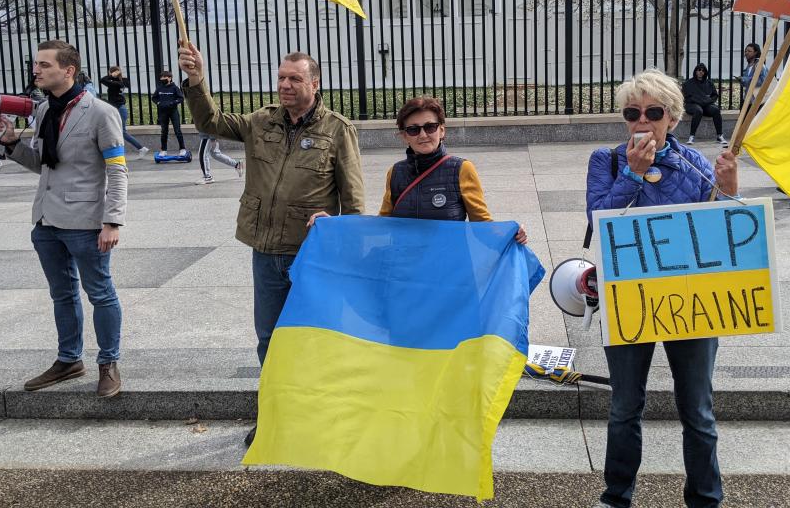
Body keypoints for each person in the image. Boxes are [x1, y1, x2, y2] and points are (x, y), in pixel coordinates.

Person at [177, 41, 365, 446]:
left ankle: (319, 412)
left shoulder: (337, 130)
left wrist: (339, 230)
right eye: (281, 78)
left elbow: (354, 202)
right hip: (266, 252)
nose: (285, 85)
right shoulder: (260, 121)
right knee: (270, 338)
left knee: (315, 338)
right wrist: (196, 79)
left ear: (315, 84)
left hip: (312, 256)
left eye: (294, 78)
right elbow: (211, 123)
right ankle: (277, 414)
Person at [585, 68, 739, 508]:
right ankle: (616, 497)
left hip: (690, 299)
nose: (641, 121)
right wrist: (633, 174)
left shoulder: (695, 165)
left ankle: (706, 499)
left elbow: (720, 234)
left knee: (698, 409)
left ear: (672, 118)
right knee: (624, 406)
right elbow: (598, 221)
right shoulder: (607, 160)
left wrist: (728, 191)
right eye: (632, 112)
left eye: (653, 112)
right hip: (630, 297)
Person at [0, 40, 128, 399]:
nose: (36, 70)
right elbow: (43, 164)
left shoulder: (100, 112)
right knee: (61, 294)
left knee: (100, 292)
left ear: (68, 71)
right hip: (46, 221)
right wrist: (10, 144)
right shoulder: (43, 113)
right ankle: (69, 359)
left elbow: (117, 171)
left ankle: (108, 363)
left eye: (44, 65)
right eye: (36, 64)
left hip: (86, 222)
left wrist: (112, 220)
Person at [375, 95, 527, 244]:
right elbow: (383, 225)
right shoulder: (395, 172)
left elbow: (481, 225)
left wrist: (510, 235)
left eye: (430, 127)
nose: (423, 135)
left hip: (449, 266)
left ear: (441, 131)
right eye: (413, 129)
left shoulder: (461, 169)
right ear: (404, 136)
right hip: (406, 265)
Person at [100, 67, 149, 159]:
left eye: (111, 72)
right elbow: (102, 80)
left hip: (120, 108)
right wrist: (112, 76)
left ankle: (141, 148)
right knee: (115, 131)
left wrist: (112, 76)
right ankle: (119, 151)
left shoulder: (120, 81)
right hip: (114, 109)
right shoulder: (112, 81)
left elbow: (105, 80)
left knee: (122, 132)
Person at [682, 63, 727, 146]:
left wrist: (708, 100)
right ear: (695, 71)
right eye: (699, 70)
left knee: (716, 110)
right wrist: (700, 100)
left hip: (705, 104)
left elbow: (714, 95)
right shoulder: (688, 83)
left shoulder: (709, 83)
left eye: (703, 70)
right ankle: (692, 136)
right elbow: (687, 97)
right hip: (692, 104)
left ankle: (719, 135)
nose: (701, 72)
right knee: (698, 110)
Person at [151, 70, 187, 157]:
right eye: (161, 77)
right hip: (163, 113)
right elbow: (154, 98)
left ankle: (182, 149)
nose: (162, 79)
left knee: (177, 130)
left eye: (164, 77)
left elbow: (181, 98)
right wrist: (159, 103)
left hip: (173, 111)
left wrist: (173, 103)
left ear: (169, 78)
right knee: (164, 131)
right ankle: (163, 150)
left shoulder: (175, 88)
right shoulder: (159, 88)